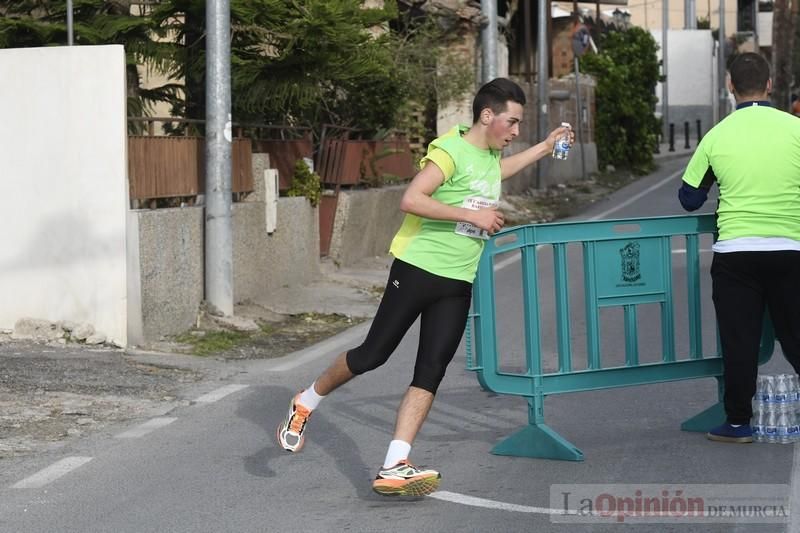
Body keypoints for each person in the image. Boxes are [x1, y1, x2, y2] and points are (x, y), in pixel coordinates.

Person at [276, 78, 572, 496]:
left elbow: (496, 171)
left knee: (431, 371)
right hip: (417, 268)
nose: (516, 131)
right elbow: (412, 199)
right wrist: (473, 218)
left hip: (458, 279)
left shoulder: (489, 154)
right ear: (487, 116)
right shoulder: (449, 151)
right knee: (372, 355)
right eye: (513, 122)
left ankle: (395, 463)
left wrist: (544, 146)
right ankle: (305, 401)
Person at [678, 52, 800, 443]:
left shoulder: (716, 135)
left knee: (739, 340)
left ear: (730, 86)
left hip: (736, 254)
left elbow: (689, 199)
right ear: (770, 85)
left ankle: (737, 423)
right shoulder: (796, 129)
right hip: (790, 249)